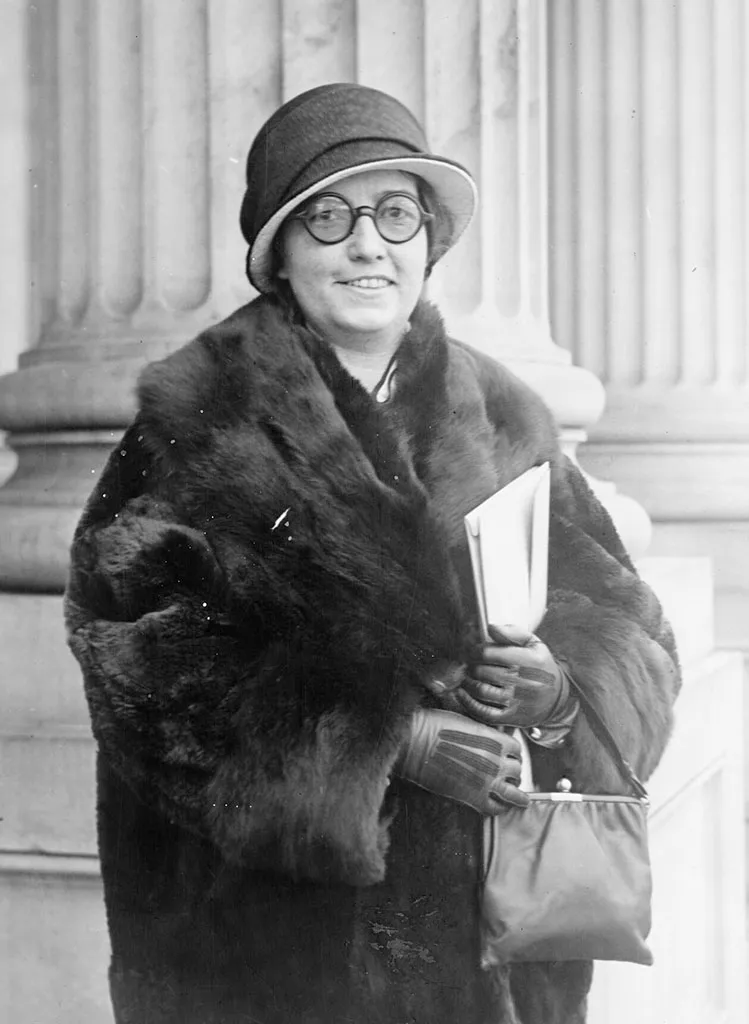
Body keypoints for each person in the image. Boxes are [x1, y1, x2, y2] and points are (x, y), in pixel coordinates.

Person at [64, 83, 680, 1024]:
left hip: (487, 938)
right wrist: (390, 741)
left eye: (396, 214)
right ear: (279, 255)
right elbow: (134, 661)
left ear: (428, 240)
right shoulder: (198, 414)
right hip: (268, 946)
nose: (367, 244)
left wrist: (558, 692)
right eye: (329, 217)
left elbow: (631, 627)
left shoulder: (501, 408)